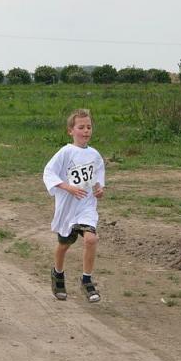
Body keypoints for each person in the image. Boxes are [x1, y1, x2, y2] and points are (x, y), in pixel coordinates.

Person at [43, 108, 106, 303]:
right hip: (68, 208)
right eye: (81, 127)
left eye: (89, 127)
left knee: (91, 239)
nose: (86, 131)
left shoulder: (95, 155)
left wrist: (99, 189)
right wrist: (67, 187)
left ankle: (87, 280)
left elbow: (98, 177)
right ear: (71, 131)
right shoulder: (65, 152)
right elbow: (49, 172)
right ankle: (58, 273)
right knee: (64, 244)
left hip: (86, 206)